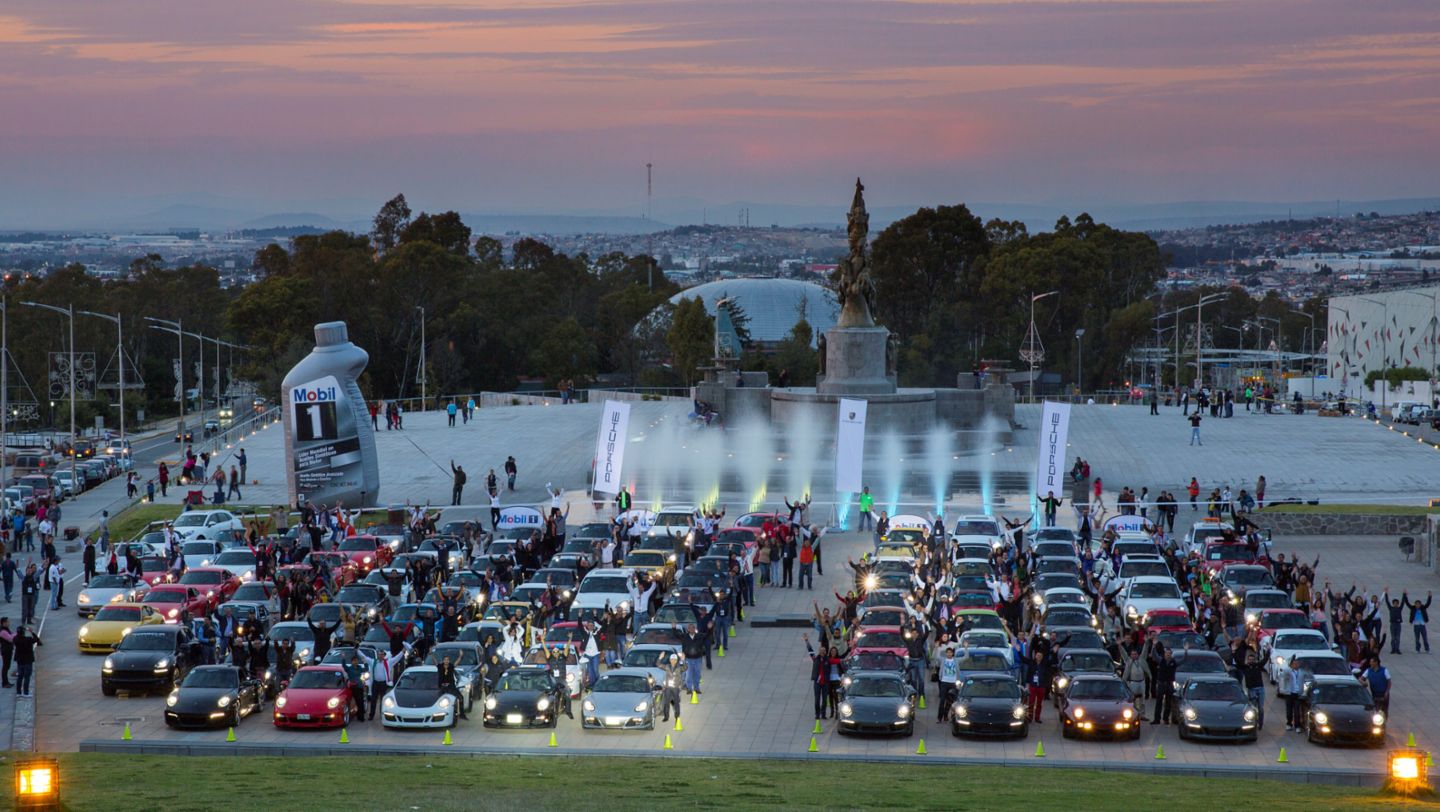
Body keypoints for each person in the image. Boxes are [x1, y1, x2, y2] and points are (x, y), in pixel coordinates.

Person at [13, 623, 40, 697]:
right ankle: (26, 692)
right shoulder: (28, 639)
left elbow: (15, 636)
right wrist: (32, 632)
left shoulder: (15, 639)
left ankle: (18, 692)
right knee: (27, 676)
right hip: (28, 659)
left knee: (20, 676)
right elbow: (37, 639)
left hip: (20, 660)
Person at [659, 652, 685, 723]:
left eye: (674, 660)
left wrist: (683, 660)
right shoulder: (667, 666)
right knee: (666, 703)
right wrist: (660, 658)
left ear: (676, 660)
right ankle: (666, 716)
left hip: (676, 688)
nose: (673, 661)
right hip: (668, 688)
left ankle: (677, 716)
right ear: (670, 660)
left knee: (676, 703)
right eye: (672, 659)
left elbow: (685, 667)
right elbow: (658, 665)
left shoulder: (679, 667)